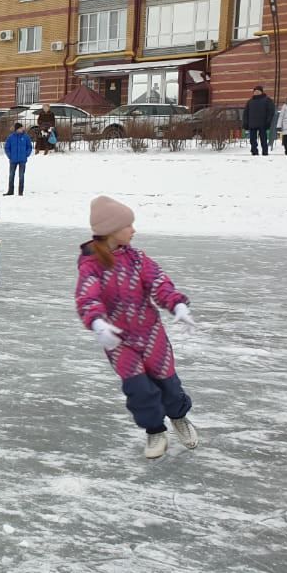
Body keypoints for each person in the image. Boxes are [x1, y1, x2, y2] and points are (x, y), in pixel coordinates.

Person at [75, 196, 199, 460]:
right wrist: (97, 323)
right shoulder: (91, 265)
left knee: (169, 385)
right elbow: (88, 297)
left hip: (151, 334)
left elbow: (158, 283)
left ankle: (179, 417)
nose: (133, 230)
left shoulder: (137, 259)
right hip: (119, 340)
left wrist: (177, 305)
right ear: (111, 230)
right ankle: (155, 430)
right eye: (128, 225)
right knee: (139, 388)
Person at [3, 122, 33, 196]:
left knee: (21, 176)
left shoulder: (26, 137)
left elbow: (29, 147)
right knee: (11, 175)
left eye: (22, 128)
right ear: (16, 129)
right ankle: (10, 191)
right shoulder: (11, 137)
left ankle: (20, 192)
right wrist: (10, 156)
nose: (22, 129)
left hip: (22, 160)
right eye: (20, 128)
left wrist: (26, 154)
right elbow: (7, 147)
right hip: (13, 160)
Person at [245, 85, 275, 156]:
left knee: (263, 139)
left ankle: (265, 152)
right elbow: (246, 113)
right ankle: (254, 151)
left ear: (261, 92)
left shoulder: (267, 100)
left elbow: (271, 111)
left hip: (263, 123)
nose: (256, 92)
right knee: (252, 140)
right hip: (252, 123)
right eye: (255, 91)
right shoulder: (250, 102)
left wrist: (268, 121)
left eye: (258, 91)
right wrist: (245, 123)